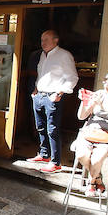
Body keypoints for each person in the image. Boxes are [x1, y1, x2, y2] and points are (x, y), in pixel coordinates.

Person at [27, 30, 79, 173]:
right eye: (42, 40)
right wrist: (36, 89)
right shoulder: (43, 55)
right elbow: (41, 74)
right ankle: (44, 154)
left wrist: (59, 92)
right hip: (39, 95)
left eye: (46, 40)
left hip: (52, 96)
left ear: (56, 40)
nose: (43, 43)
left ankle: (55, 162)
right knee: (40, 126)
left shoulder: (64, 55)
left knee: (52, 129)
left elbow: (72, 78)